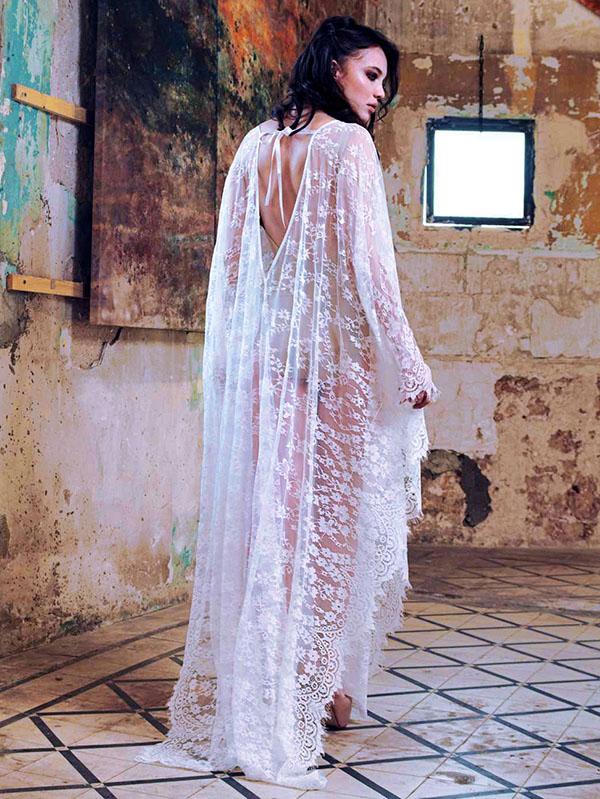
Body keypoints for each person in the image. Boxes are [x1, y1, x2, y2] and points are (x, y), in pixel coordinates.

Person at [137, 14, 439, 791]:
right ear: (335, 66)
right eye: (372, 75)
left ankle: (285, 692)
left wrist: (236, 367)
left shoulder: (254, 147)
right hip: (334, 368)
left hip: (267, 368)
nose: (380, 93)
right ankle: (303, 699)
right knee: (326, 539)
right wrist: (410, 365)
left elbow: (237, 271)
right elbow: (372, 271)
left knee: (269, 530)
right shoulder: (347, 148)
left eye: (385, 81)